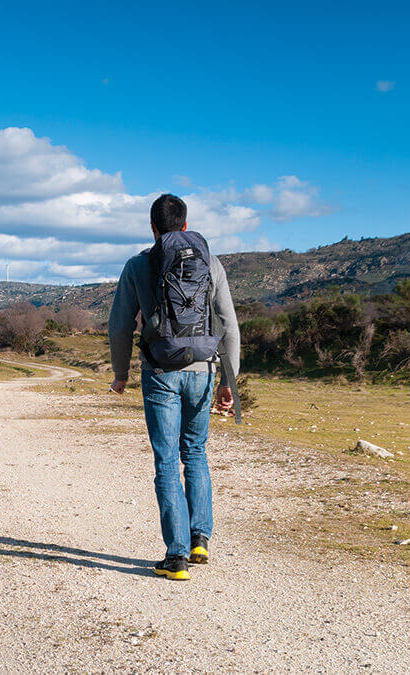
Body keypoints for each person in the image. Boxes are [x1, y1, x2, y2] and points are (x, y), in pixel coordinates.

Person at [107, 194, 240, 581]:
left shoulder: (137, 265)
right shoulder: (210, 263)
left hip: (160, 371)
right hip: (202, 371)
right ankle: (200, 539)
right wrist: (229, 381)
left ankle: (176, 555)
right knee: (194, 452)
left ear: (152, 228)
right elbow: (228, 325)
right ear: (185, 225)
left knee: (166, 460)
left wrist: (121, 375)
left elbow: (119, 325)